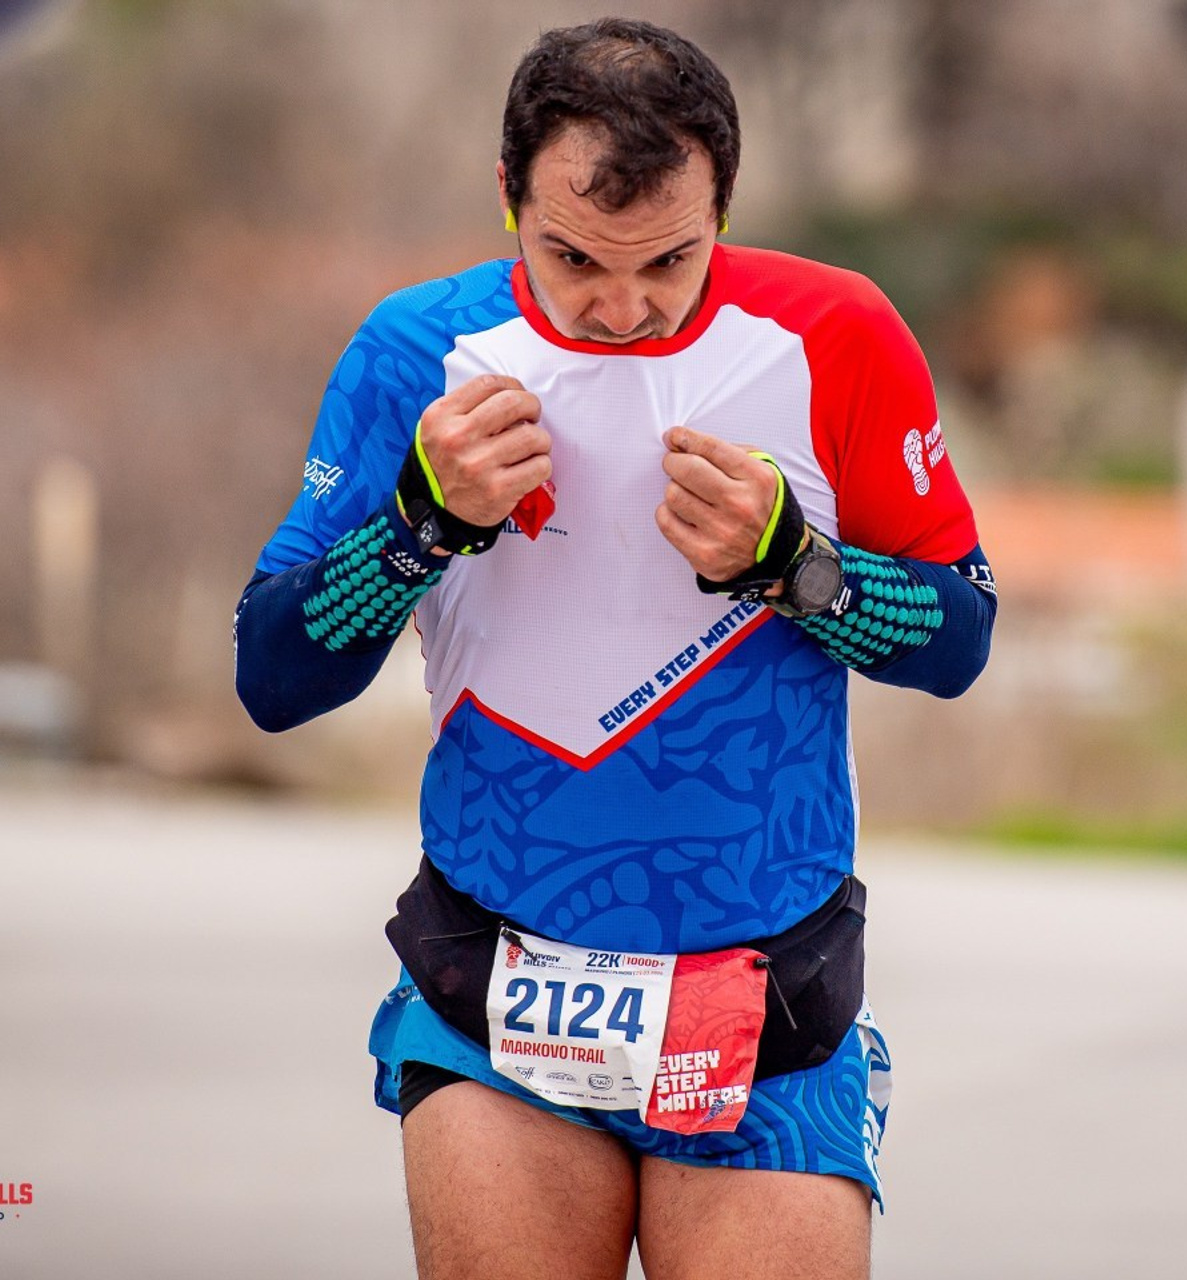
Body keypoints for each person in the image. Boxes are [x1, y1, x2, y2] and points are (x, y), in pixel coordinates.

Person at [234, 18, 995, 1280]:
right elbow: (271, 675)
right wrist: (418, 527)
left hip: (764, 999)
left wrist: (792, 567)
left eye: (670, 263)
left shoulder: (833, 332)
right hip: (497, 979)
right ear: (505, 195)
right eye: (573, 256)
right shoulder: (417, 350)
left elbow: (957, 635)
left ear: (725, 204)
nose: (624, 308)